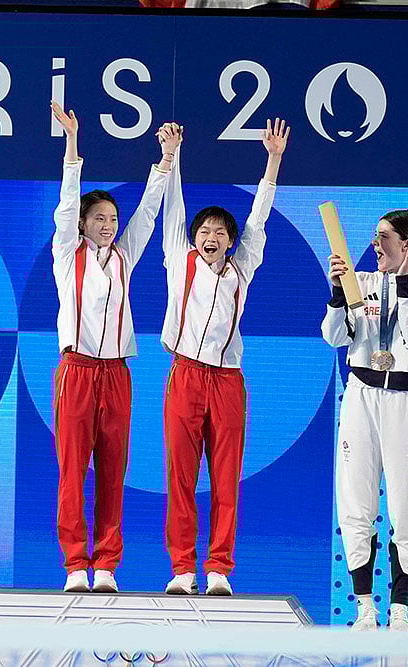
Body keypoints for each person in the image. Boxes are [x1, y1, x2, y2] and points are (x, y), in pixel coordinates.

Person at [50, 101, 179, 593]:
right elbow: (67, 202)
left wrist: (165, 160)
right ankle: (74, 565)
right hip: (77, 370)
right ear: (82, 224)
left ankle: (106, 564)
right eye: (99, 218)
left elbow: (147, 213)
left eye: (111, 218)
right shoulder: (67, 255)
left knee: (112, 470)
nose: (108, 224)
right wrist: (72, 143)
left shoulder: (124, 256)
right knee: (72, 471)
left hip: (117, 374)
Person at [161, 118, 289, 597]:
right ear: (194, 237)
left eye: (219, 231)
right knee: (181, 476)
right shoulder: (179, 258)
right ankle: (182, 568)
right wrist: (172, 155)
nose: (210, 236)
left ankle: (218, 568)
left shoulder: (243, 266)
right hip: (185, 376)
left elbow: (259, 216)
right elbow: (173, 207)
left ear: (231, 241)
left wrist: (273, 160)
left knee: (225, 477)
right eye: (204, 230)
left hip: (228, 381)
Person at [323, 210, 408, 629]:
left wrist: (405, 284)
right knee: (355, 502)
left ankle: (400, 608)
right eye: (376, 237)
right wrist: (338, 295)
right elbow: (334, 336)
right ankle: (364, 606)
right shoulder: (361, 281)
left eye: (384, 237)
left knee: (406, 506)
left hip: (406, 403)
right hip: (361, 396)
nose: (375, 245)